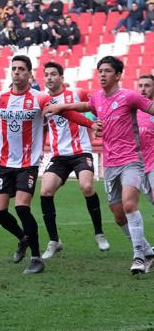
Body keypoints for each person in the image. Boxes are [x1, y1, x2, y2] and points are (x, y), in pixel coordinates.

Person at [0, 56, 96, 274]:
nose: (16, 72)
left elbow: (66, 112)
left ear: (29, 74)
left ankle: (35, 258)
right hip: (3, 163)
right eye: (14, 68)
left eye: (21, 69)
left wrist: (90, 123)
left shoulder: (40, 98)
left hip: (28, 164)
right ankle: (23, 238)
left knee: (22, 207)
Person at [44, 56, 154, 274]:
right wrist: (62, 106)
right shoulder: (97, 98)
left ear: (118, 75)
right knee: (118, 214)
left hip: (132, 160)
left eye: (107, 71)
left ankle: (139, 257)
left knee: (130, 205)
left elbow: (150, 108)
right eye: (99, 71)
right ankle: (149, 250)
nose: (102, 75)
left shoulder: (130, 97)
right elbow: (86, 105)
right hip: (110, 164)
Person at [38, 62, 109, 259]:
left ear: (61, 77)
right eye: (47, 75)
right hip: (59, 156)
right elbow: (42, 127)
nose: (50, 78)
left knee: (86, 186)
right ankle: (54, 241)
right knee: (45, 191)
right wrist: (40, 148)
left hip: (81, 152)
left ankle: (99, 233)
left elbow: (97, 107)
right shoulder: (42, 100)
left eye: (54, 74)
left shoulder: (77, 93)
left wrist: (97, 123)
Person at [138, 75, 154, 204]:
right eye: (140, 86)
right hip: (140, 163)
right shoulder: (132, 110)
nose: (143, 89)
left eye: (147, 85)